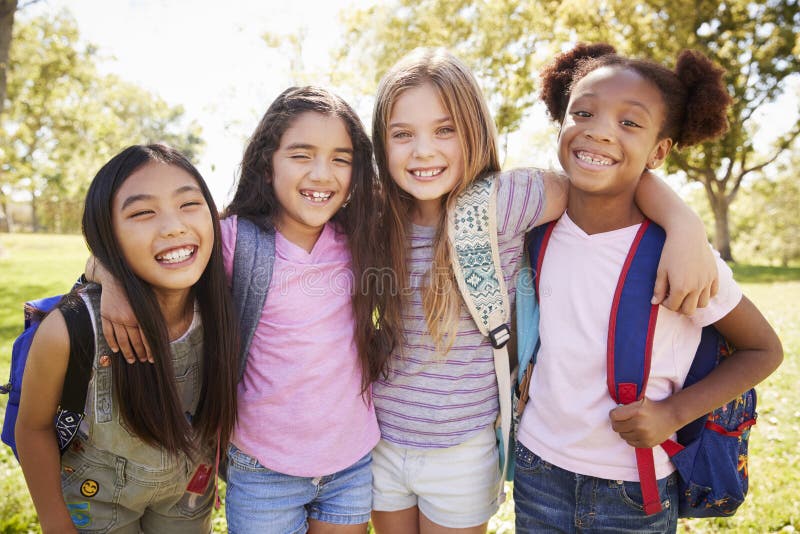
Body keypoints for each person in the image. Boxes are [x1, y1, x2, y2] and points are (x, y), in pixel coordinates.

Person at [368, 47, 721, 534]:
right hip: (381, 441)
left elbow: (603, 178)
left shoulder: (508, 200)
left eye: (444, 129)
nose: (422, 150)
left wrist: (684, 224)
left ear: (473, 129)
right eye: (401, 134)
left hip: (462, 449)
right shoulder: (373, 215)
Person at [89, 87, 394, 534]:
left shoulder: (361, 237)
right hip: (263, 469)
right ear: (267, 162)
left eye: (341, 159)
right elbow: (152, 246)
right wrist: (108, 277)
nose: (321, 173)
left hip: (350, 464)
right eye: (301, 155)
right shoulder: (233, 239)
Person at [513, 43, 784, 533]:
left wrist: (673, 413)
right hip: (538, 469)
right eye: (584, 112)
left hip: (635, 489)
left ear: (659, 151)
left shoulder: (681, 256)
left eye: (629, 123)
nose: (598, 129)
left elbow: (763, 349)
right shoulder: (536, 230)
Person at [15, 144, 240, 533]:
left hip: (187, 494)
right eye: (142, 213)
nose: (173, 226)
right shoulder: (68, 330)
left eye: (189, 204)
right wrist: (54, 521)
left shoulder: (228, 294)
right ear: (107, 237)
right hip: (96, 499)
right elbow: (32, 427)